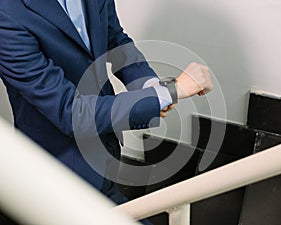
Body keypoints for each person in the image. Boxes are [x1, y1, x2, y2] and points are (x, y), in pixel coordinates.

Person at [0, 0, 212, 220]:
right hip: (60, 173)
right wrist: (169, 92)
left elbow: (115, 39)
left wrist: (149, 85)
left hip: (105, 150)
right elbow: (71, 112)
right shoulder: (6, 14)